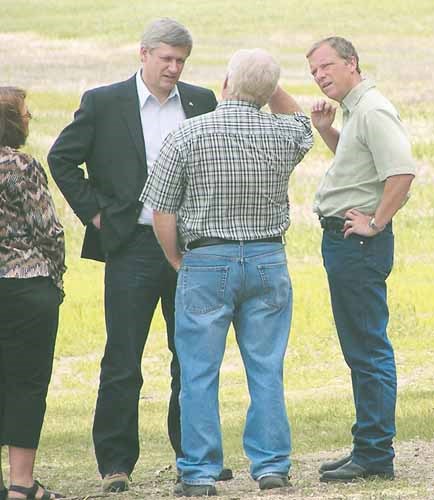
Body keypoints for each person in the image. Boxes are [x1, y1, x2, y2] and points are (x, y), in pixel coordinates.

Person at [47, 18, 231, 492]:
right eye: (166, 58)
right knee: (123, 358)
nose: (173, 68)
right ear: (143, 54)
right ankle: (115, 464)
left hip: (191, 248)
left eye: (181, 61)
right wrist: (97, 214)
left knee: (191, 355)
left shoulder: (202, 101)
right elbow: (62, 158)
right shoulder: (104, 102)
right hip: (131, 247)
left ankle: (194, 453)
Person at [140, 48, 313, 497]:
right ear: (267, 91)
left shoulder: (187, 135)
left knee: (198, 371)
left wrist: (177, 258)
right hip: (266, 258)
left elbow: (161, 209)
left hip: (206, 258)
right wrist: (268, 85)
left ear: (225, 83)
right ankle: (272, 465)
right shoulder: (283, 134)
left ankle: (198, 472)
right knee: (266, 367)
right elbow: (300, 120)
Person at [307, 36, 416, 481]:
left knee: (368, 349)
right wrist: (328, 131)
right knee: (360, 349)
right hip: (346, 243)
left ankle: (374, 454)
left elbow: (402, 172)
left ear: (352, 62)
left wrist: (376, 222)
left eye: (327, 66)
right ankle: (366, 447)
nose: (320, 76)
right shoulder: (354, 111)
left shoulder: (372, 109)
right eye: (314, 71)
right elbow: (361, 164)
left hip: (358, 244)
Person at [0, 86, 65, 500]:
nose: (30, 118)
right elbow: (48, 230)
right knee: (27, 382)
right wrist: (55, 276)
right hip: (26, 286)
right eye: (25, 112)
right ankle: (22, 483)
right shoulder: (20, 166)